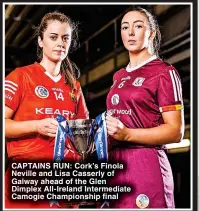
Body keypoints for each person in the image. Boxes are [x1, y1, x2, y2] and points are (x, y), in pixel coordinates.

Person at [5, 11, 89, 209]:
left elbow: (83, 137)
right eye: (53, 37)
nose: (60, 43)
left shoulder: (74, 87)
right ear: (41, 41)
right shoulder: (20, 77)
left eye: (65, 38)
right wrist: (37, 126)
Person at [105, 6, 185, 209]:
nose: (130, 32)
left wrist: (128, 135)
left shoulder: (164, 72)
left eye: (138, 26)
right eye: (125, 27)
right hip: (115, 166)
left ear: (152, 32)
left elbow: (176, 132)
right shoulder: (118, 76)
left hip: (145, 164)